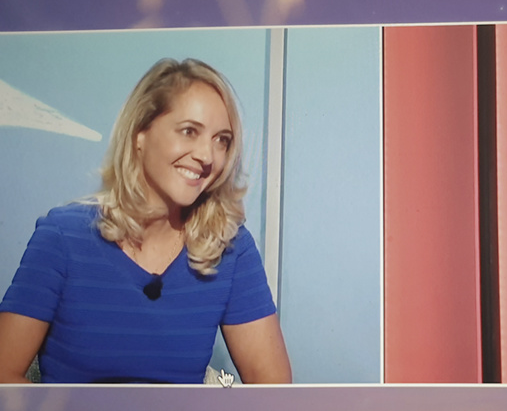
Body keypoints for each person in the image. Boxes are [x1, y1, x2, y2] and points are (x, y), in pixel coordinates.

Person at [0, 58, 292, 384]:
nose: (207, 156)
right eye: (189, 131)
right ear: (140, 134)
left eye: (221, 140)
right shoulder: (62, 237)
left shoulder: (231, 248)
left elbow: (274, 393)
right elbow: (3, 375)